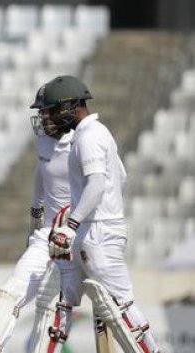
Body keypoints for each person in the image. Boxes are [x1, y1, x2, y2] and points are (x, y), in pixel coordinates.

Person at [46, 75, 161, 352]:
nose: (48, 117)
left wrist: (73, 223)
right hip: (92, 228)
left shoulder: (90, 136)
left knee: (119, 307)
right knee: (65, 300)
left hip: (98, 231)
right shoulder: (91, 134)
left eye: (52, 110)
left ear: (69, 106)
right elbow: (119, 177)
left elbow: (98, 183)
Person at [0, 85, 75, 353]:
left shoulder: (87, 141)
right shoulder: (42, 139)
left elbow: (110, 185)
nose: (42, 118)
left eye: (46, 112)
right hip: (48, 236)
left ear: (64, 111)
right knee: (8, 294)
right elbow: (41, 177)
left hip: (83, 238)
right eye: (40, 112)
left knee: (110, 310)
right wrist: (34, 222)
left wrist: (82, 226)